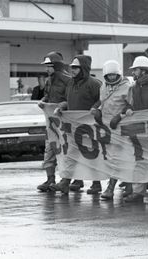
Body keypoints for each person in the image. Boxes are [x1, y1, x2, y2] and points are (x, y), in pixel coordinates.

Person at [50, 55, 102, 194]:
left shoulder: (94, 83)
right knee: (71, 154)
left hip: (89, 127)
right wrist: (62, 106)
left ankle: (96, 184)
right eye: (71, 67)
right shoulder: (71, 84)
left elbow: (102, 100)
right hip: (73, 127)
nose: (72, 70)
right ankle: (65, 182)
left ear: (83, 68)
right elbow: (68, 101)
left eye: (75, 67)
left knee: (91, 155)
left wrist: (95, 108)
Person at [87, 60, 133, 200]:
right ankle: (120, 186)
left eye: (114, 75)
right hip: (107, 129)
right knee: (112, 158)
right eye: (109, 76)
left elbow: (131, 105)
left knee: (123, 158)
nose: (112, 78)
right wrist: (97, 110)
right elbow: (102, 102)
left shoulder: (127, 87)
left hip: (122, 128)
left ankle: (116, 187)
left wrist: (119, 116)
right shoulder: (103, 87)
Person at [123, 56, 148, 203]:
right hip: (139, 128)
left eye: (135, 69)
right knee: (139, 159)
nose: (133, 72)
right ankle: (139, 191)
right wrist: (128, 109)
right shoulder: (133, 87)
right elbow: (128, 104)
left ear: (143, 70)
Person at [36, 51, 71, 192]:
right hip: (51, 123)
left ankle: (66, 180)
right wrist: (43, 101)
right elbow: (47, 96)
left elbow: (71, 99)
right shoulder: (49, 81)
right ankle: (50, 179)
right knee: (49, 149)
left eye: (48, 66)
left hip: (64, 123)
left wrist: (62, 106)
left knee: (65, 151)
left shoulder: (68, 80)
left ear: (56, 66)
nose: (46, 69)